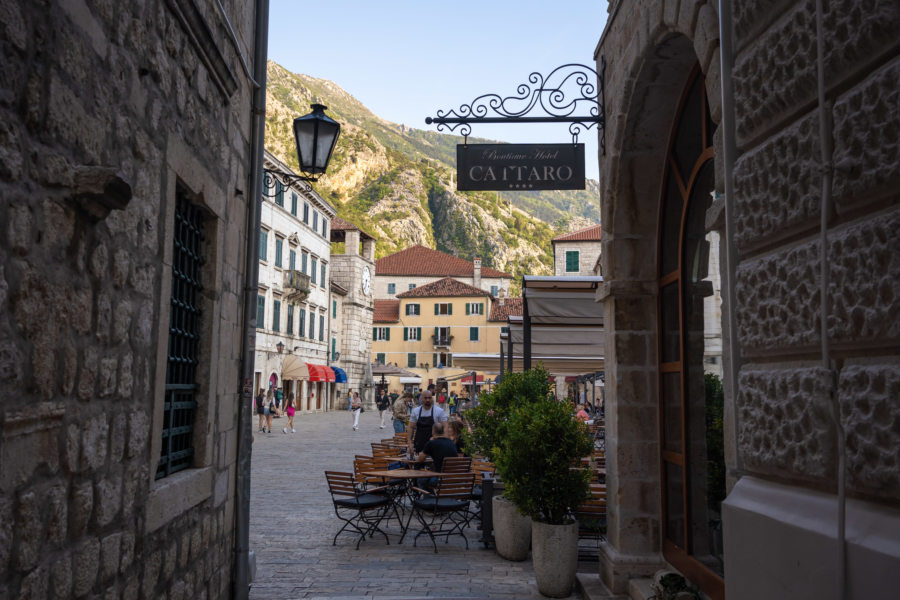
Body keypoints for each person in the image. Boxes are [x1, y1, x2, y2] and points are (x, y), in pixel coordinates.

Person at [407, 390, 448, 455]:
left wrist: (444, 442)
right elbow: (411, 427)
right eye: (425, 398)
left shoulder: (439, 411)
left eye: (429, 398)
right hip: (419, 442)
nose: (428, 400)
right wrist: (409, 442)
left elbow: (445, 427)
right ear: (421, 399)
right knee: (419, 463)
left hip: (434, 443)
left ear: (432, 398)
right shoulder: (416, 411)